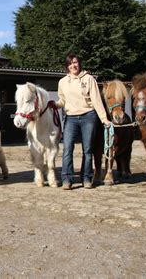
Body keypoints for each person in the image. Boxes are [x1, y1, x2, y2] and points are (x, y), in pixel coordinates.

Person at [56, 53, 111, 190]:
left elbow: (96, 100)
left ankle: (86, 178)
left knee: (87, 150)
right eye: (70, 63)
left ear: (79, 63)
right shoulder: (62, 82)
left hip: (88, 116)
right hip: (70, 118)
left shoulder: (89, 79)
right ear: (67, 66)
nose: (73, 65)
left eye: (75, 62)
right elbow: (62, 100)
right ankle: (67, 179)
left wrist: (104, 119)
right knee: (67, 149)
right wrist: (54, 104)